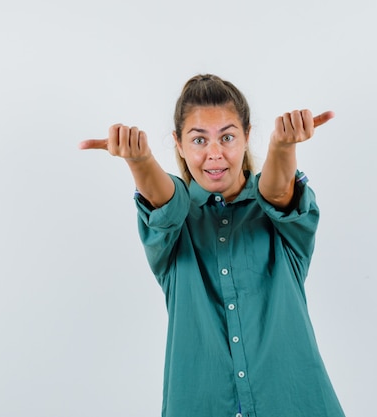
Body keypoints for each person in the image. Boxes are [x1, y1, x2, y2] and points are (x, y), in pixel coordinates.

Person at [80, 74, 345, 417]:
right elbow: (163, 200)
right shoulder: (172, 223)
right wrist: (140, 160)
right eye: (199, 140)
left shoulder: (279, 214)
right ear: (178, 143)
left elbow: (277, 192)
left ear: (247, 136)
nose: (215, 154)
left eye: (228, 137)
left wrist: (282, 146)